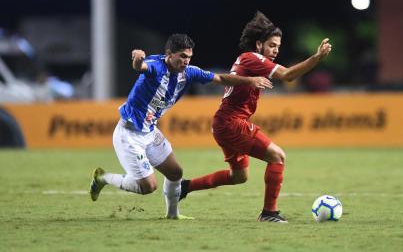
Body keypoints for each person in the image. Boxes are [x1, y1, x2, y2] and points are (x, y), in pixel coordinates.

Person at [89, 33, 273, 219]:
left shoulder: (190, 72)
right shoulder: (156, 66)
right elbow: (141, 67)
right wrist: (137, 59)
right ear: (169, 54)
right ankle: (103, 178)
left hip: (150, 132)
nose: (186, 61)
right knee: (148, 187)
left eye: (189, 57)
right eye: (182, 56)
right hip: (129, 134)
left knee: (175, 172)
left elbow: (220, 79)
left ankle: (173, 215)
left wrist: (250, 80)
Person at [180, 12, 332, 223]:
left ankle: (185, 187)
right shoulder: (253, 58)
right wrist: (317, 58)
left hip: (223, 124)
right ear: (259, 44)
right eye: (272, 45)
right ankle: (269, 213)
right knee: (277, 156)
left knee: (239, 177)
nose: (276, 50)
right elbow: (288, 76)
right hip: (232, 123)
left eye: (278, 46)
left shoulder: (249, 60)